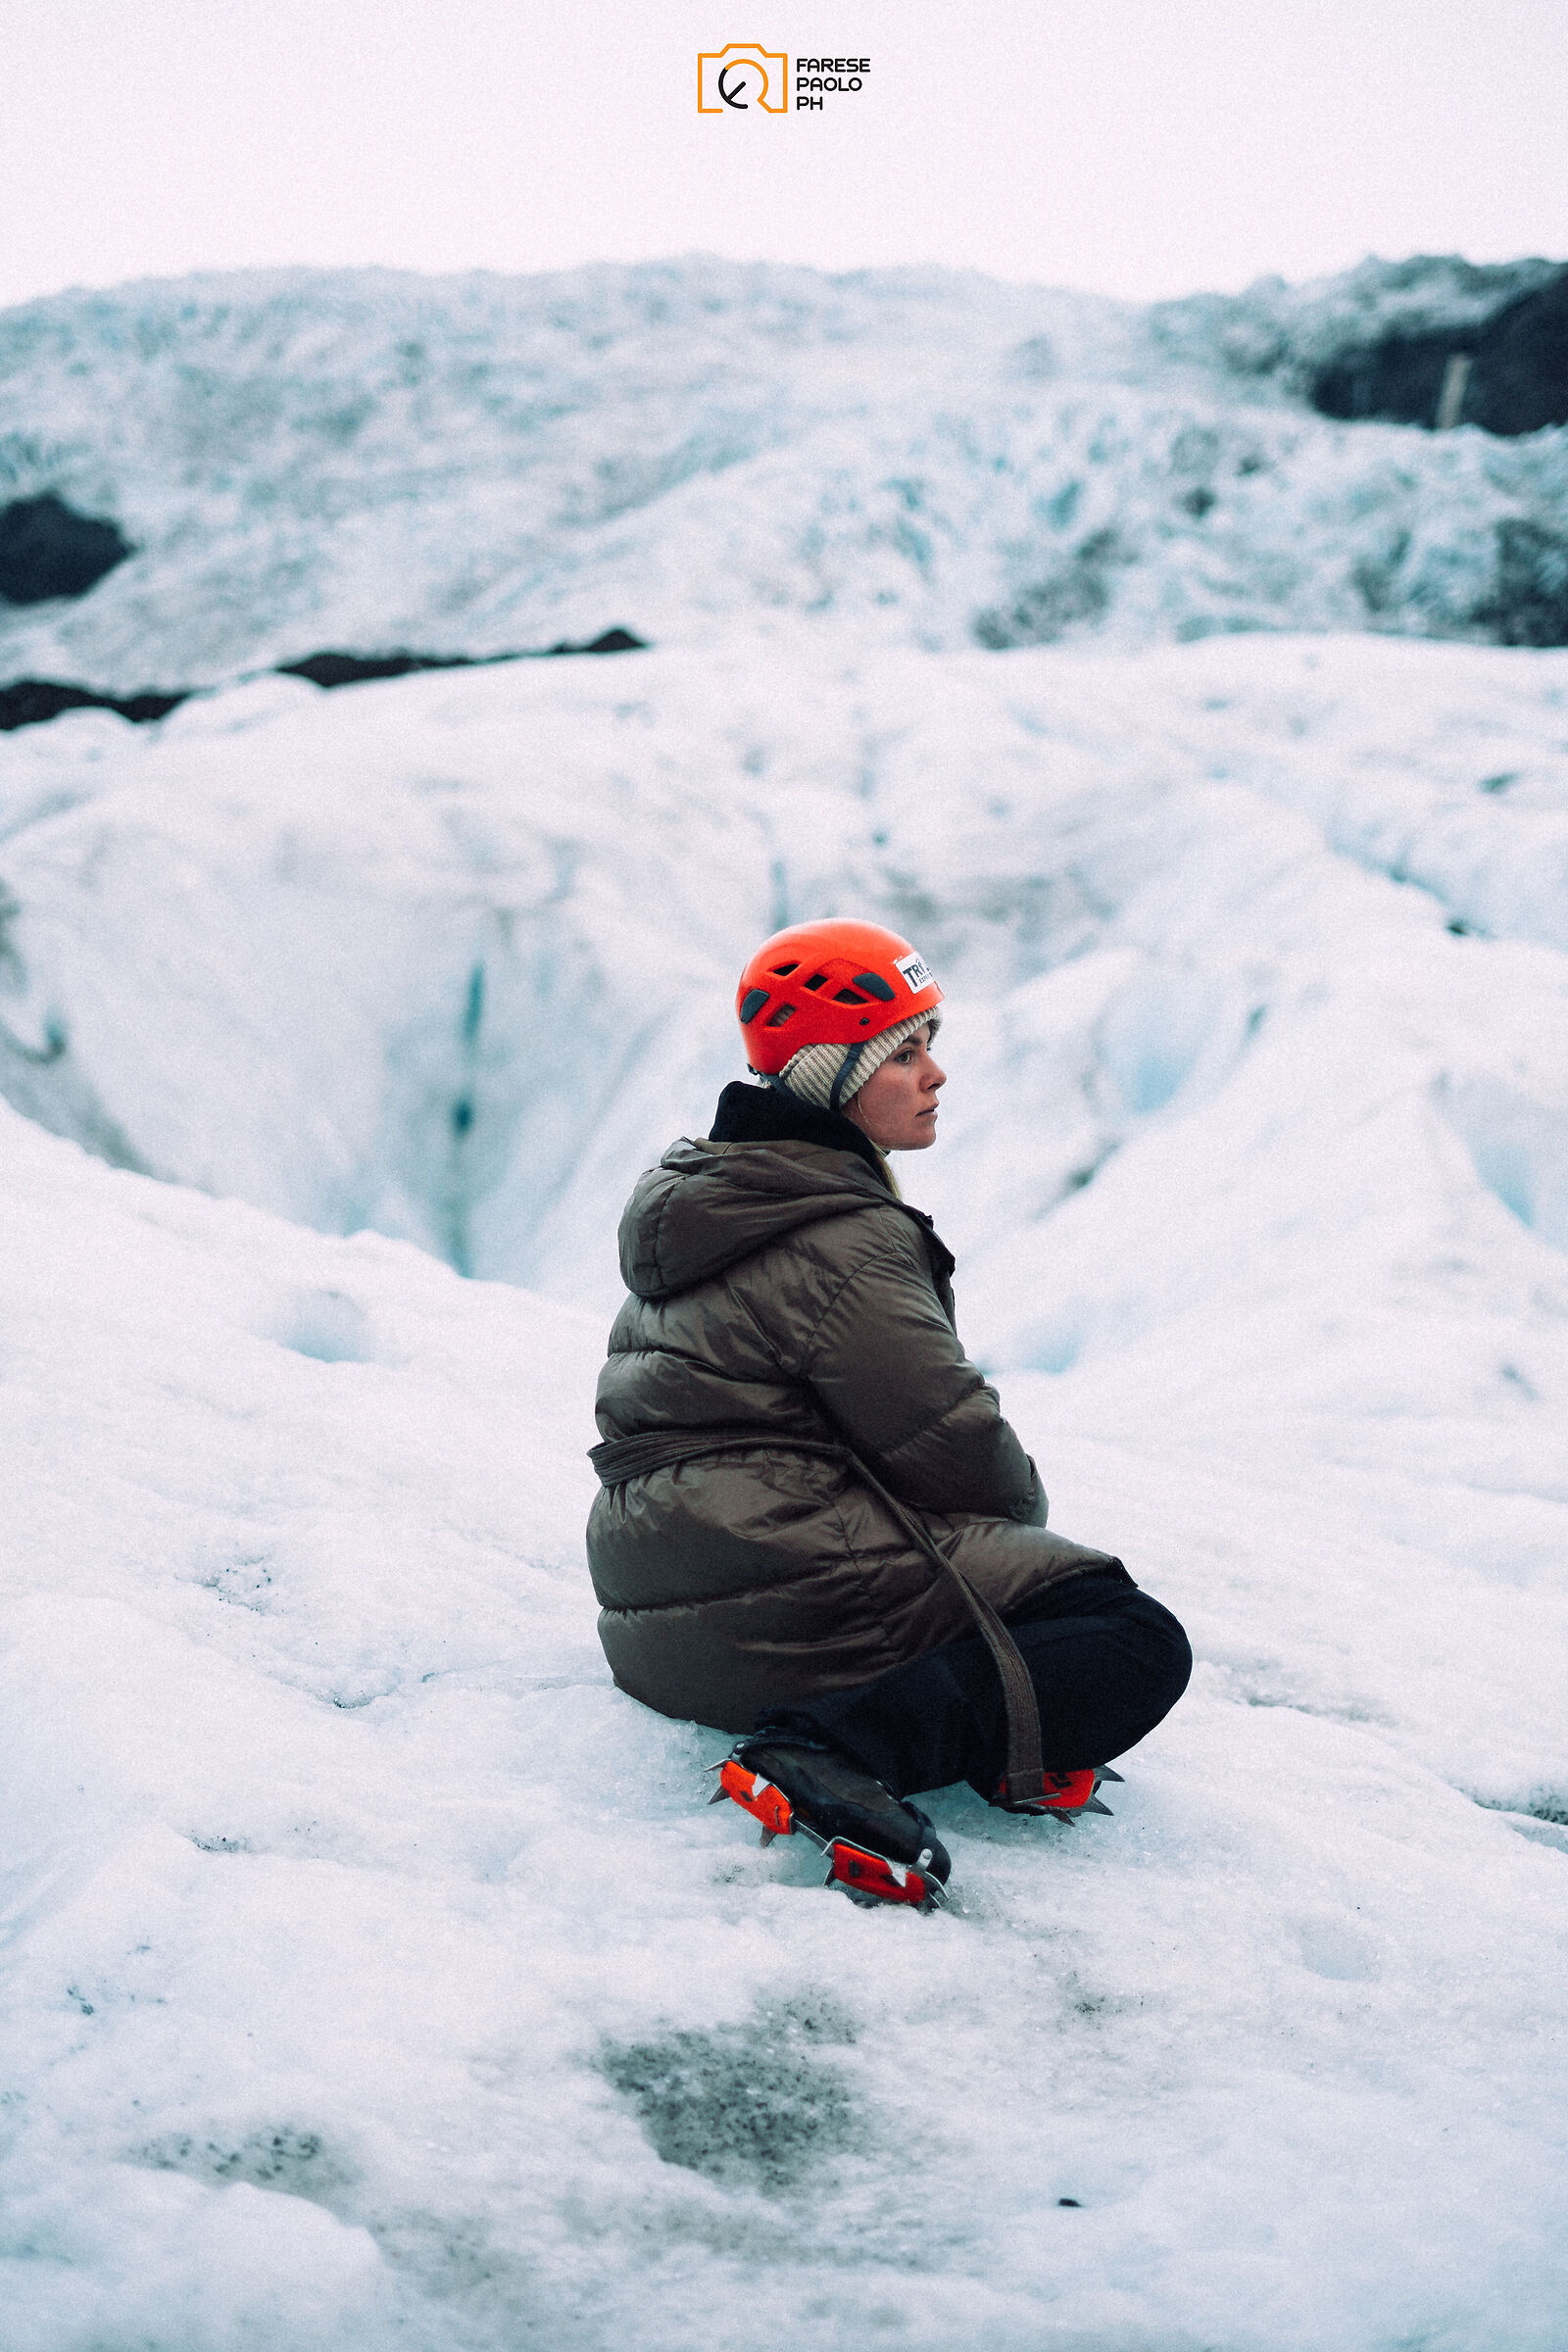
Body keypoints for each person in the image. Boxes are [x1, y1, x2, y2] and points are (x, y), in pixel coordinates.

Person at [587, 918, 1191, 1908]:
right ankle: (830, 1751)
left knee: (1017, 1596)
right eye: (903, 1053)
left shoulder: (716, 1198)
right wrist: (1021, 1544)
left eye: (929, 1045)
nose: (934, 1074)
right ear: (833, 1074)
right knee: (1126, 1634)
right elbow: (950, 1440)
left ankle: (960, 1725)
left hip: (665, 1623)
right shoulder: (841, 1235)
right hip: (775, 1611)